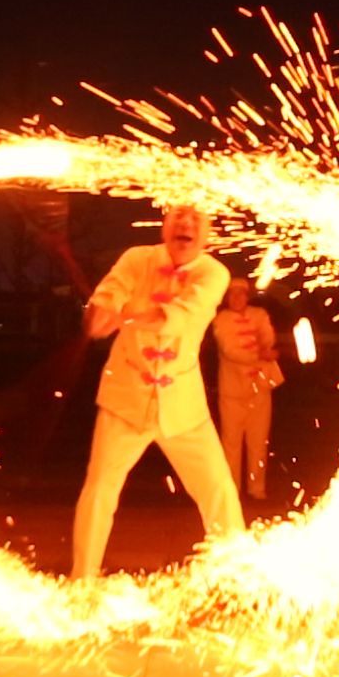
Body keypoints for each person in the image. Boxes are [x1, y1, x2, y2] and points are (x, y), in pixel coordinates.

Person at [72, 205, 245, 578]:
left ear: (208, 233)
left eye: (196, 218)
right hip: (125, 399)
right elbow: (110, 292)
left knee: (218, 489)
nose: (186, 223)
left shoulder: (215, 273)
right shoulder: (137, 258)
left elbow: (181, 315)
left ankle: (238, 581)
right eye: (179, 216)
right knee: (100, 488)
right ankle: (81, 581)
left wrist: (126, 316)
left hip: (183, 404)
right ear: (165, 226)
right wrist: (101, 310)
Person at [212, 277, 283, 500]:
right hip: (233, 391)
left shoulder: (259, 315)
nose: (237, 298)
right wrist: (259, 355)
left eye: (241, 293)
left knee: (258, 443)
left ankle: (257, 490)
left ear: (247, 295)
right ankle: (232, 491)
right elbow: (230, 350)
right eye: (232, 294)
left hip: (260, 388)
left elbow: (267, 336)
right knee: (231, 443)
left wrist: (265, 346)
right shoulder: (221, 320)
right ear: (226, 297)